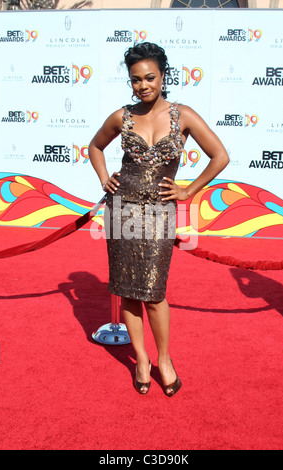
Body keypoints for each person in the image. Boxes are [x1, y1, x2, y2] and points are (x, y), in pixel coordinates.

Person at [89, 42, 229, 397]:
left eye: (149, 77)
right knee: (128, 293)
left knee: (154, 293)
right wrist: (104, 177)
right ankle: (141, 358)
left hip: (159, 214)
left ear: (163, 76)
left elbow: (220, 156)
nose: (143, 85)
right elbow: (95, 146)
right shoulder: (123, 116)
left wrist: (188, 191)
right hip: (121, 210)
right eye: (136, 80)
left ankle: (163, 359)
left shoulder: (184, 115)